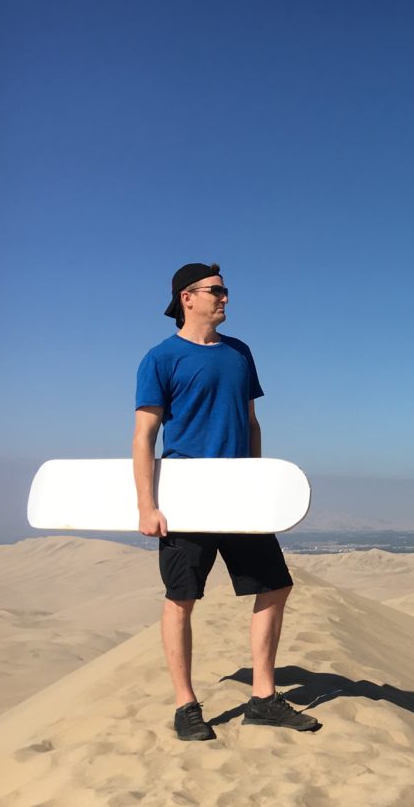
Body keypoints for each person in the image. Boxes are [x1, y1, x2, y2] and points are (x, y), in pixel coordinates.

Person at [133, 262, 319, 741]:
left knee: (275, 586)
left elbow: (251, 423)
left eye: (225, 290)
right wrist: (146, 506)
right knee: (181, 599)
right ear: (187, 298)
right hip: (186, 497)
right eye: (216, 290)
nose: (225, 298)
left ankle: (263, 697)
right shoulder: (160, 358)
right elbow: (144, 436)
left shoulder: (240, 353)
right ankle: (186, 705)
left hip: (239, 497)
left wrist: (256, 480)